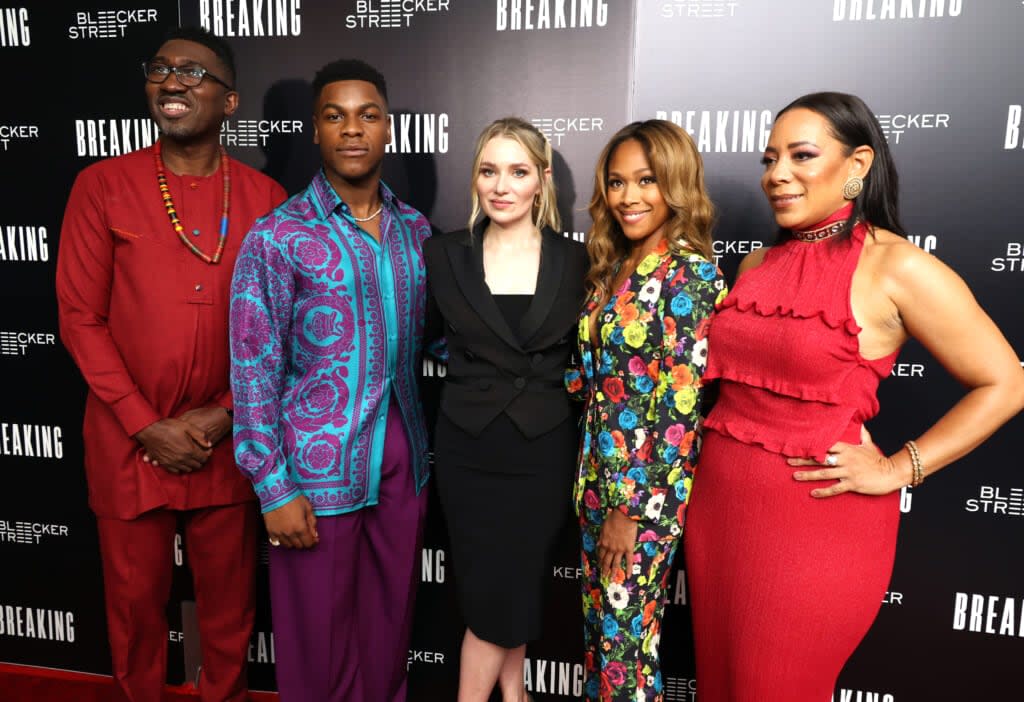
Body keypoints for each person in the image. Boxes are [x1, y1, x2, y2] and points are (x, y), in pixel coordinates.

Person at [683, 91, 1024, 701]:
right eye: (769, 159)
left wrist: (901, 467)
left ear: (858, 164)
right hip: (719, 516)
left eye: (801, 155)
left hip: (815, 526)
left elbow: (1007, 381)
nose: (777, 175)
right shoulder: (756, 265)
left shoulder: (897, 267)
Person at [55, 25, 287, 702]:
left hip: (227, 443)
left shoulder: (265, 199)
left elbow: (280, 333)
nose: (173, 81)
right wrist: (142, 422)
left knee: (229, 620)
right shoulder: (101, 185)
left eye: (194, 72)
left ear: (230, 101)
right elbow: (79, 318)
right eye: (161, 69)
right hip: (130, 445)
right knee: (133, 616)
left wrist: (225, 416)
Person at [229, 58, 431, 702]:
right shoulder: (278, 237)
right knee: (317, 647)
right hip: (313, 475)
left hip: (403, 468)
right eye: (335, 116)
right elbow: (253, 368)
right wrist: (271, 484)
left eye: (367, 115)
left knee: (389, 635)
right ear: (314, 130)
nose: (352, 129)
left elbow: (442, 336)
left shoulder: (416, 231)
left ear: (388, 129)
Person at [423, 117, 588, 702]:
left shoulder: (577, 260)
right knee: (489, 593)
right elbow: (420, 341)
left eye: (518, 172)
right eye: (489, 171)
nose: (502, 186)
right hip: (469, 451)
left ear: (542, 180)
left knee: (514, 589)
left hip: (542, 452)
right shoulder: (443, 254)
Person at [564, 120, 727, 702]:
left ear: (676, 184)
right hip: (594, 484)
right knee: (604, 645)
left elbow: (679, 411)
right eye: (616, 182)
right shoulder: (613, 267)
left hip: (640, 498)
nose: (629, 197)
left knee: (624, 653)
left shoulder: (692, 274)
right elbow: (593, 378)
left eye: (647, 181)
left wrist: (628, 510)